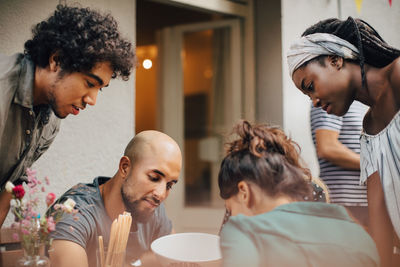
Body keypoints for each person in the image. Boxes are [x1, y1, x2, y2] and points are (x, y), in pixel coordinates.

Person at [0, 5, 134, 227]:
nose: (92, 99)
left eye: (99, 89)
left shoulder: (50, 121)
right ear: (56, 60)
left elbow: (7, 190)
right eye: (90, 83)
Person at [287, 17, 400, 266]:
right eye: (307, 95)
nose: (314, 101)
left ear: (336, 60)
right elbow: (379, 210)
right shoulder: (369, 127)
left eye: (310, 86)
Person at [218, 120, 379, 267]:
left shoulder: (244, 231)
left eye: (230, 209)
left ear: (244, 192)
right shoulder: (359, 237)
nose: (231, 216)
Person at [48, 130, 182, 267]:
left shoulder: (151, 208)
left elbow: (174, 256)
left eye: (169, 185)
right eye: (154, 178)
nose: (160, 194)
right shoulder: (74, 216)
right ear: (125, 167)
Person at [310, 101, 369, 227]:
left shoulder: (362, 103)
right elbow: (327, 147)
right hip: (344, 202)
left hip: (364, 201)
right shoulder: (329, 99)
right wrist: (372, 165)